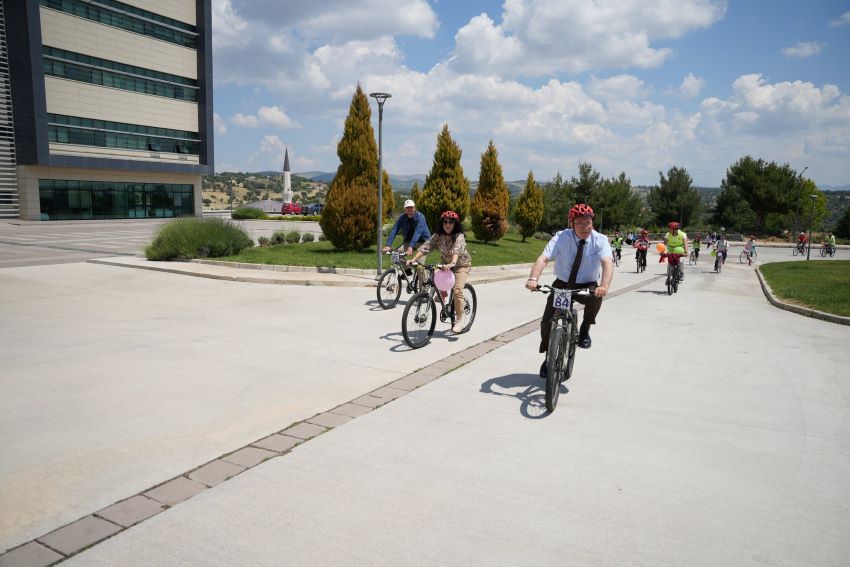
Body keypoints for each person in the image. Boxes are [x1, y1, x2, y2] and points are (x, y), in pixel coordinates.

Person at [525, 203, 613, 378]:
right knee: (547, 322)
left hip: (587, 284)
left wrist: (603, 286)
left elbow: (607, 263)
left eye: (588, 223)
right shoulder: (561, 237)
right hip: (563, 285)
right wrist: (533, 279)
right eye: (580, 223)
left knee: (596, 297)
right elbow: (543, 258)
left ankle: (585, 327)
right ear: (571, 224)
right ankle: (549, 358)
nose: (585, 227)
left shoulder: (600, 240)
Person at [408, 210, 471, 334]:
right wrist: (414, 259)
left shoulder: (459, 236)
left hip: (461, 265)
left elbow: (457, 250)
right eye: (445, 222)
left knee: (457, 290)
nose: (447, 224)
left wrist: (453, 263)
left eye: (451, 222)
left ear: (455, 224)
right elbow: (427, 246)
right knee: (432, 276)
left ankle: (459, 320)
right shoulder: (438, 235)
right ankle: (443, 292)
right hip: (445, 264)